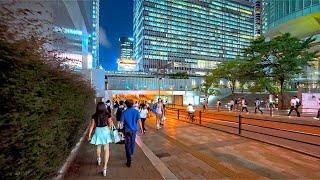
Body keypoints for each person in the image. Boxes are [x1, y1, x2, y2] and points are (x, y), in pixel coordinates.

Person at [88, 102, 113, 176]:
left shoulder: (94, 115)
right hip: (105, 131)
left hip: (98, 131)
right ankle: (105, 168)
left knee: (98, 146)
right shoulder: (108, 114)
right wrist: (108, 128)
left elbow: (92, 126)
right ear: (104, 107)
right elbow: (110, 124)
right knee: (106, 149)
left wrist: (89, 135)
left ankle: (99, 159)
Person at [120, 99, 143, 167]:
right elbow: (139, 121)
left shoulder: (124, 112)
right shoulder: (136, 111)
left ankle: (129, 158)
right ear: (132, 104)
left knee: (127, 144)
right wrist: (141, 129)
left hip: (127, 130)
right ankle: (131, 153)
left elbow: (121, 123)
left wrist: (121, 130)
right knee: (133, 142)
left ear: (126, 104)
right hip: (134, 130)